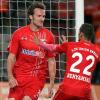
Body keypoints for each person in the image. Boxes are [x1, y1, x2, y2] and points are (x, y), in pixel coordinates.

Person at [33, 23, 100, 100]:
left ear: (81, 34)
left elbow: (52, 48)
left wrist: (41, 44)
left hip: (67, 89)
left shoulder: (70, 45)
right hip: (84, 92)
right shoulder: (97, 51)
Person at [7, 2, 56, 100]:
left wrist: (51, 83)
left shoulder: (49, 36)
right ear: (30, 16)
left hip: (36, 78)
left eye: (43, 16)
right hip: (19, 77)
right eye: (39, 16)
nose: (42, 19)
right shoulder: (18, 34)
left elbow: (51, 61)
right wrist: (10, 76)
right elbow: (11, 57)